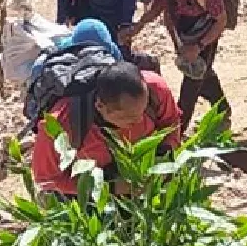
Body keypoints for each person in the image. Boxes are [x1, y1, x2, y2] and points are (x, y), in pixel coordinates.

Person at [29, 58, 183, 197]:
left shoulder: (156, 89)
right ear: (100, 106)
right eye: (128, 117)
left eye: (143, 110)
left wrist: (164, 160)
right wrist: (109, 187)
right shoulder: (62, 125)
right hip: (93, 191)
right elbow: (47, 178)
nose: (140, 120)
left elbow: (171, 122)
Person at [133, 0, 231, 126]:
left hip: (204, 34)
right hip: (181, 32)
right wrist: (139, 25)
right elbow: (157, 6)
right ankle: (222, 106)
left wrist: (199, 46)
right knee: (203, 72)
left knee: (191, 81)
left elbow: (221, 20)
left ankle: (178, 126)